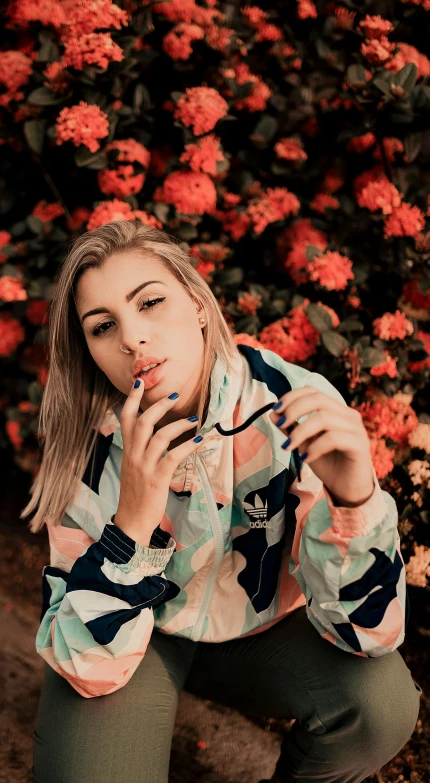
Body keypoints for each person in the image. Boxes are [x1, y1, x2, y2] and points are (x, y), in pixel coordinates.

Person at [25, 219, 422, 783]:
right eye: (102, 325)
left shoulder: (291, 404)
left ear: (199, 305)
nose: (132, 338)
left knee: (380, 707)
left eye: (151, 303)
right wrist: (131, 524)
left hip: (261, 636)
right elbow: (88, 664)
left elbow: (368, 633)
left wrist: (354, 500)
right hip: (140, 637)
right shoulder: (86, 445)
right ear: (89, 351)